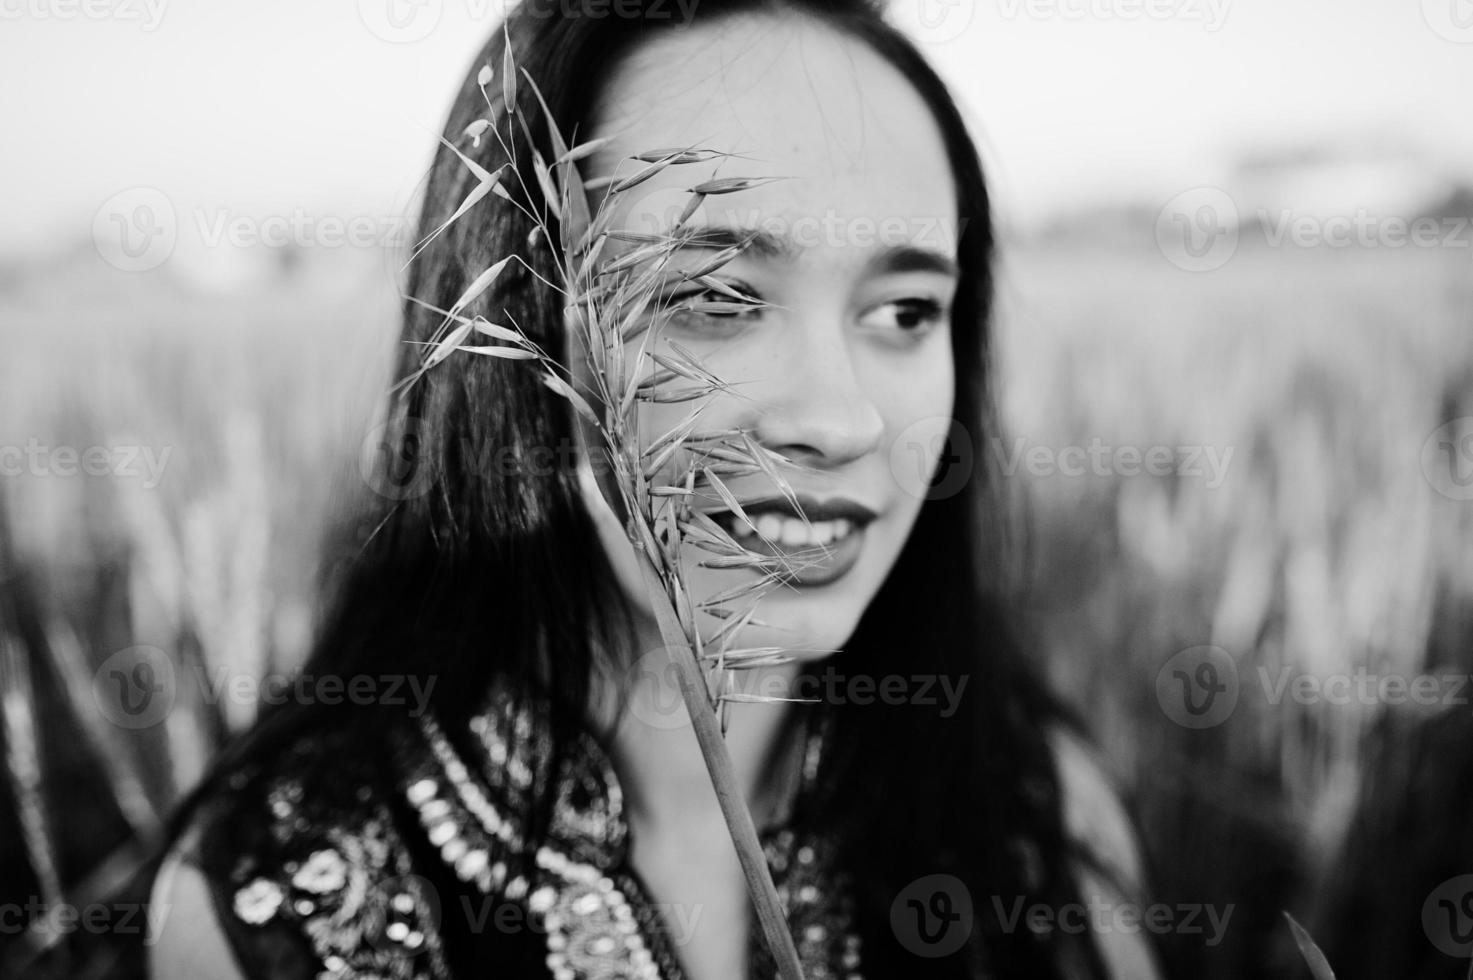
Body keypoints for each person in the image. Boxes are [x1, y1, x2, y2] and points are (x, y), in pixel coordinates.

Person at [147, 1, 1160, 977]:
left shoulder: (1035, 808)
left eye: (904, 310)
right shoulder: (269, 901)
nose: (843, 420)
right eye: (712, 294)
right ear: (515, 333)